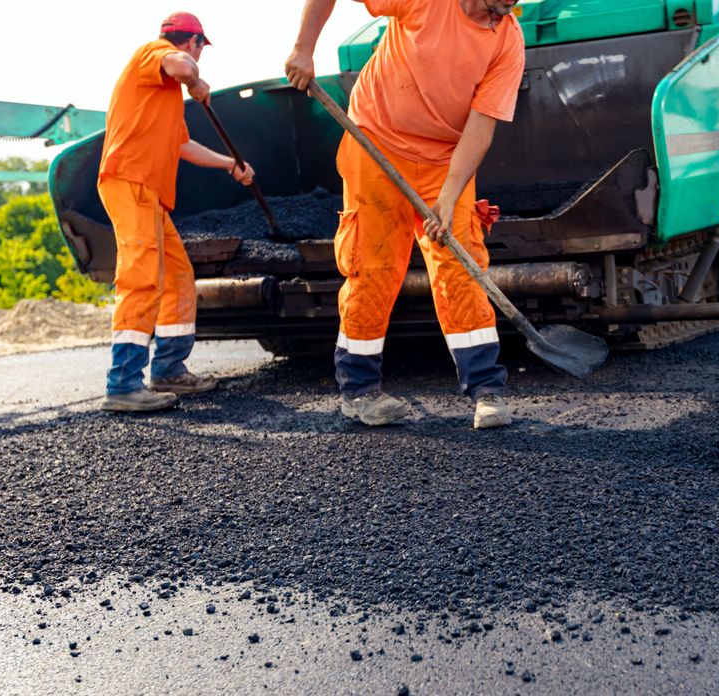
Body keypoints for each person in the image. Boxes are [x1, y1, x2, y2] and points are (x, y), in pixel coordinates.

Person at [285, 0, 525, 430]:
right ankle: (359, 392)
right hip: (376, 142)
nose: (502, 16)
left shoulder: (507, 39)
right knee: (372, 267)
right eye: (497, 6)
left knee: (462, 263)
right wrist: (304, 48)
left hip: (444, 161)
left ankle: (486, 391)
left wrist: (450, 196)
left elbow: (482, 123)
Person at [98, 12, 255, 412]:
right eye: (201, 46)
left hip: (150, 193)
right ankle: (123, 384)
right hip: (130, 181)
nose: (200, 54)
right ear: (195, 41)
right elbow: (181, 65)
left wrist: (229, 164)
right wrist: (196, 79)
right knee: (141, 276)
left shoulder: (164, 98)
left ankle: (168, 369)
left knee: (178, 275)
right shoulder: (155, 53)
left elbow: (183, 147)